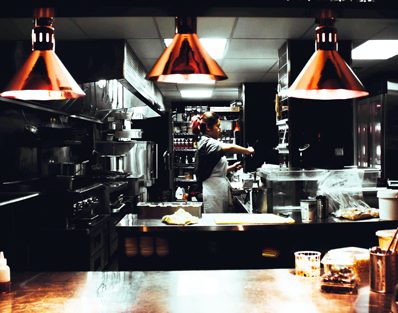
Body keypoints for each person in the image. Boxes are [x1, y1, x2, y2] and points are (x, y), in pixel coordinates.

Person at [191, 111, 255, 213]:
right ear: (208, 127)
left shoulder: (209, 142)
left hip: (217, 189)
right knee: (214, 222)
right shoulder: (207, 142)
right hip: (213, 191)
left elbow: (214, 171)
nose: (220, 129)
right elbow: (229, 147)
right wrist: (248, 150)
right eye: (218, 126)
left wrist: (232, 167)